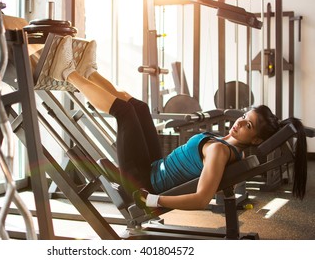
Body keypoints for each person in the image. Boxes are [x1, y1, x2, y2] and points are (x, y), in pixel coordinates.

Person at [44, 35, 308, 210]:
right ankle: (91, 73)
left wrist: (153, 200)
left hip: (143, 182)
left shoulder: (219, 151)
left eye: (247, 126)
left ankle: (68, 73)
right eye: (243, 117)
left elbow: (202, 198)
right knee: (139, 106)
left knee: (124, 113)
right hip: (155, 166)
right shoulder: (223, 144)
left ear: (256, 140)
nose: (239, 123)